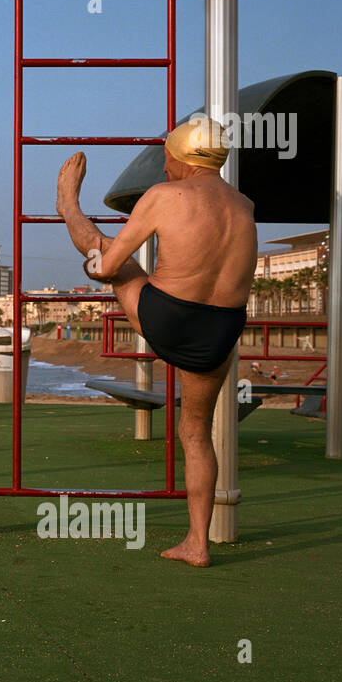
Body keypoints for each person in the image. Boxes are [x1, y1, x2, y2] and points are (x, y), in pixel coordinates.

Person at [56, 118, 258, 567]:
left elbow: (107, 267)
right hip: (221, 330)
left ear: (183, 157)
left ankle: (65, 203)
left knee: (111, 258)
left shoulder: (164, 197)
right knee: (195, 433)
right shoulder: (244, 205)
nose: (164, 167)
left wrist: (91, 255)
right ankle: (198, 543)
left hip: (167, 318)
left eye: (167, 157)